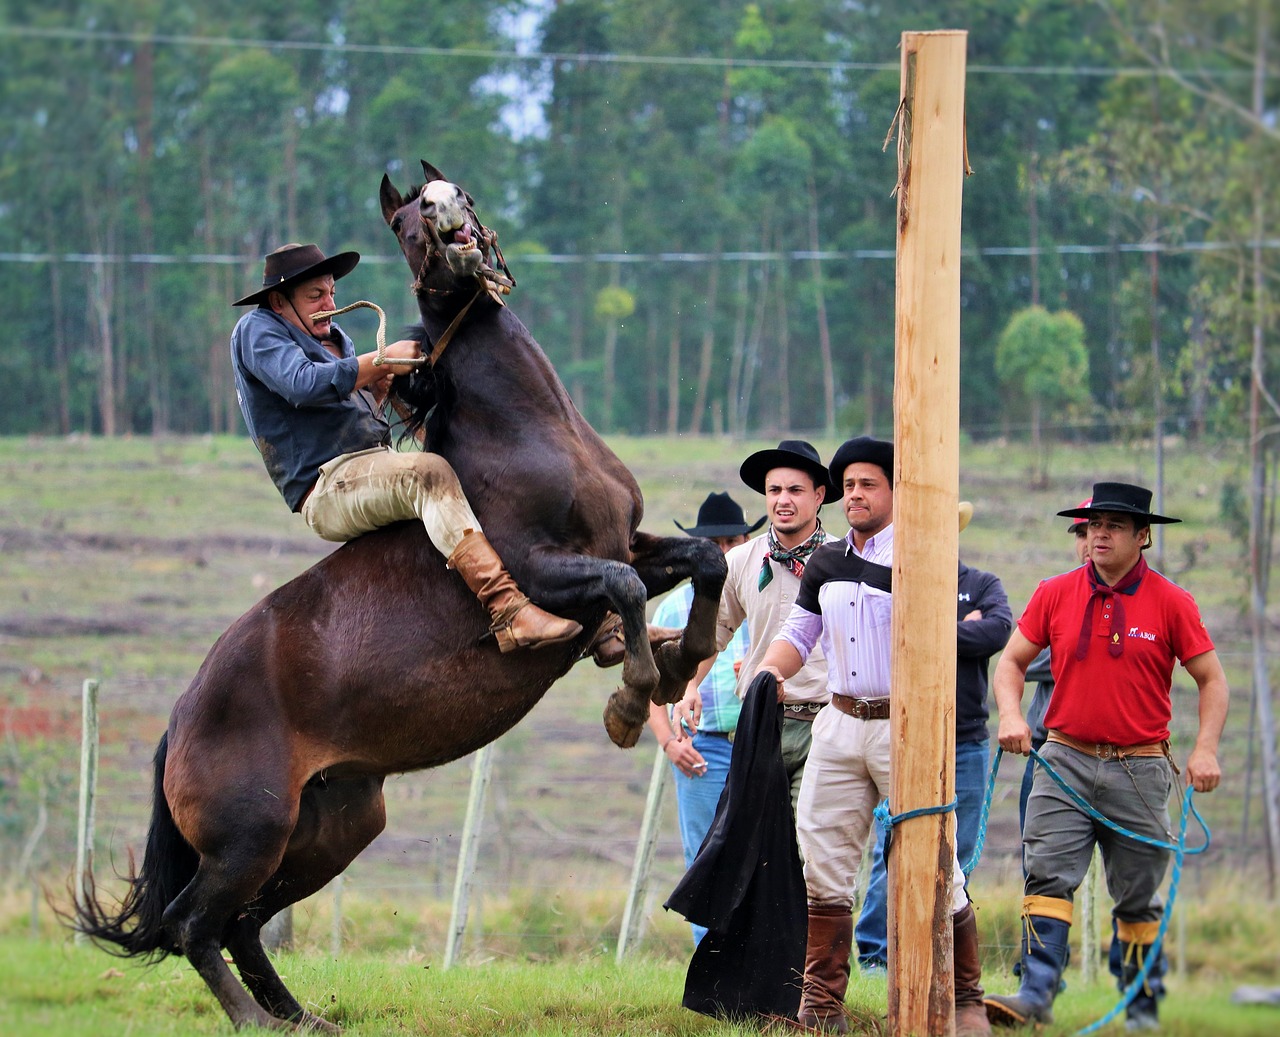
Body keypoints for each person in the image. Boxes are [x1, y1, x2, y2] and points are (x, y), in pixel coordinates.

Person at [230, 242, 580, 652]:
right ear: (278, 300)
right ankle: (508, 610)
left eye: (331, 293)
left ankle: (589, 612)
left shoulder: (334, 336)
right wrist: (380, 362)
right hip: (326, 486)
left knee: (470, 477)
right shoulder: (256, 331)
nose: (329, 303)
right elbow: (303, 385)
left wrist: (379, 387)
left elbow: (349, 403)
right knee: (428, 474)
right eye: (315, 296)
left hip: (372, 467)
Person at [757, 436, 991, 1036]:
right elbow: (799, 634)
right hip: (837, 722)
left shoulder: (925, 557)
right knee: (824, 861)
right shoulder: (828, 563)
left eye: (869, 484)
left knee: (939, 859)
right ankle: (822, 1004)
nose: (856, 494)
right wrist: (768, 672)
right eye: (850, 485)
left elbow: (939, 626)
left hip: (907, 724)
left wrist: (862, 571)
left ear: (894, 492)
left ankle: (966, 999)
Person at [984, 482, 1229, 1032]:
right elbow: (1010, 664)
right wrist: (1011, 715)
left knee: (1137, 897)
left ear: (1143, 537)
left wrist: (1206, 749)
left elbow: (1212, 680)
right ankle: (1036, 993)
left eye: (1114, 526)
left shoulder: (1173, 602)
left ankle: (1141, 1008)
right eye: (1094, 525)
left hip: (1140, 770)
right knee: (1046, 876)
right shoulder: (1054, 592)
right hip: (1063, 759)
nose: (1100, 534)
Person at [854, 538, 1012, 974]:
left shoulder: (981, 583)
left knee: (957, 850)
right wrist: (961, 625)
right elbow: (888, 631)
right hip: (906, 734)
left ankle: (935, 949)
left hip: (966, 738)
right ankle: (875, 953)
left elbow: (997, 631)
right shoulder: (899, 581)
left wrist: (933, 626)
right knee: (896, 842)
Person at [673, 440, 838, 814]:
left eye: (795, 490)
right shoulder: (741, 560)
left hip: (824, 721)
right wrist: (690, 687)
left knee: (809, 847)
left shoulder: (841, 559)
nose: (783, 500)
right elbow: (714, 634)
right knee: (754, 847)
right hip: (761, 721)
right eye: (774, 490)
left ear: (819, 496)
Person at [646, 491, 763, 944]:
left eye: (732, 542)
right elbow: (654, 690)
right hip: (703, 743)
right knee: (704, 855)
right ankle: (711, 962)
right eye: (713, 545)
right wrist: (669, 742)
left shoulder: (761, 601)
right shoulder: (673, 610)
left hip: (760, 738)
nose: (724, 552)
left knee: (765, 851)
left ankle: (760, 961)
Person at [1018, 500, 1091, 835]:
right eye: (1081, 533)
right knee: (1039, 858)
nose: (1089, 541)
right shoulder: (1056, 592)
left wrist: (1065, 645)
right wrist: (1076, 650)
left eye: (1101, 530)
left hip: (1123, 757)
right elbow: (1021, 657)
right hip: (1049, 748)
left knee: (1132, 869)